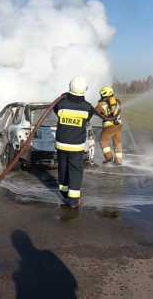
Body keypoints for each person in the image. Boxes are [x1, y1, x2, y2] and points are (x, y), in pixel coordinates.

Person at [53, 76, 98, 209]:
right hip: (76, 146)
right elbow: (88, 118)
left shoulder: (61, 104)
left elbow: (55, 110)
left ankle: (64, 190)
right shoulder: (87, 107)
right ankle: (73, 200)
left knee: (63, 167)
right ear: (84, 89)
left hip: (61, 143)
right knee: (75, 170)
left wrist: (64, 97)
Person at [95, 86, 123, 165]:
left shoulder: (101, 104)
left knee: (103, 141)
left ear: (105, 94)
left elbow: (94, 111)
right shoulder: (117, 102)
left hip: (109, 126)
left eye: (101, 95)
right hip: (119, 125)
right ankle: (118, 160)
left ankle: (109, 157)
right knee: (117, 142)